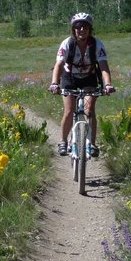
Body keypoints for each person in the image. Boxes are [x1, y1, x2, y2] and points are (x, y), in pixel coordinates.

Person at [48, 12, 115, 156]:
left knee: (90, 110)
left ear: (90, 29)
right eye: (78, 27)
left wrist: (108, 84)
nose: (82, 30)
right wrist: (54, 83)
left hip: (89, 78)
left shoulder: (97, 44)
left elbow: (103, 66)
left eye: (85, 27)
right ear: (73, 29)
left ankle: (92, 144)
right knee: (69, 110)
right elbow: (59, 65)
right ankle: (63, 141)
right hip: (69, 77)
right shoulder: (67, 43)